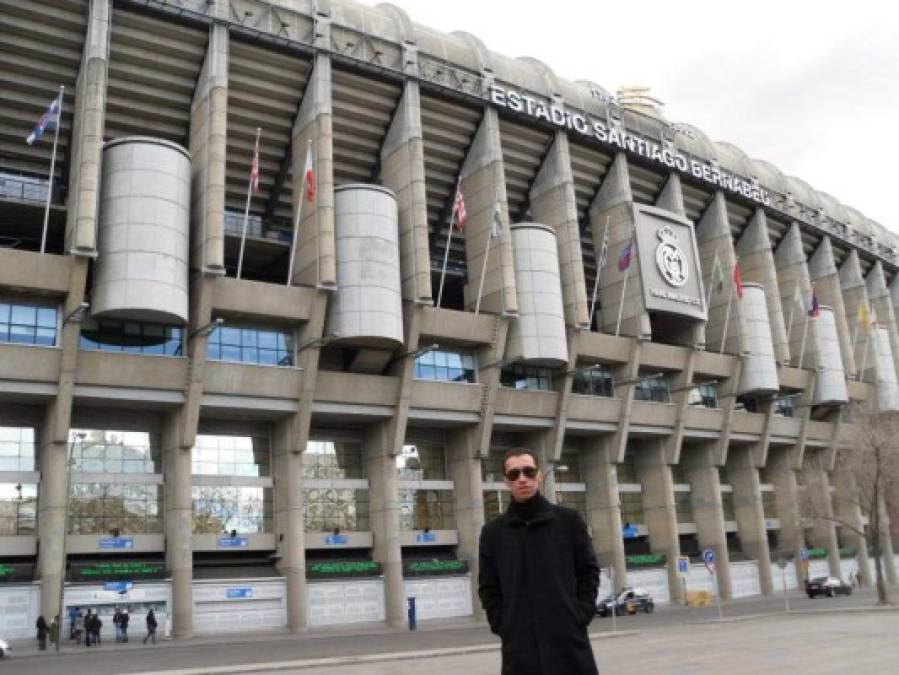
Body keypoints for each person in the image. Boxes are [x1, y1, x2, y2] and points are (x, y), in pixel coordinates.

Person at [479, 447, 600, 675]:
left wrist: (579, 615)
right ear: (506, 481)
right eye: (514, 474)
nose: (522, 479)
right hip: (520, 649)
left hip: (568, 643)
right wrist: (503, 625)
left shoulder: (568, 521)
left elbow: (589, 572)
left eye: (528, 471)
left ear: (539, 476)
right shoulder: (493, 533)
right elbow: (488, 587)